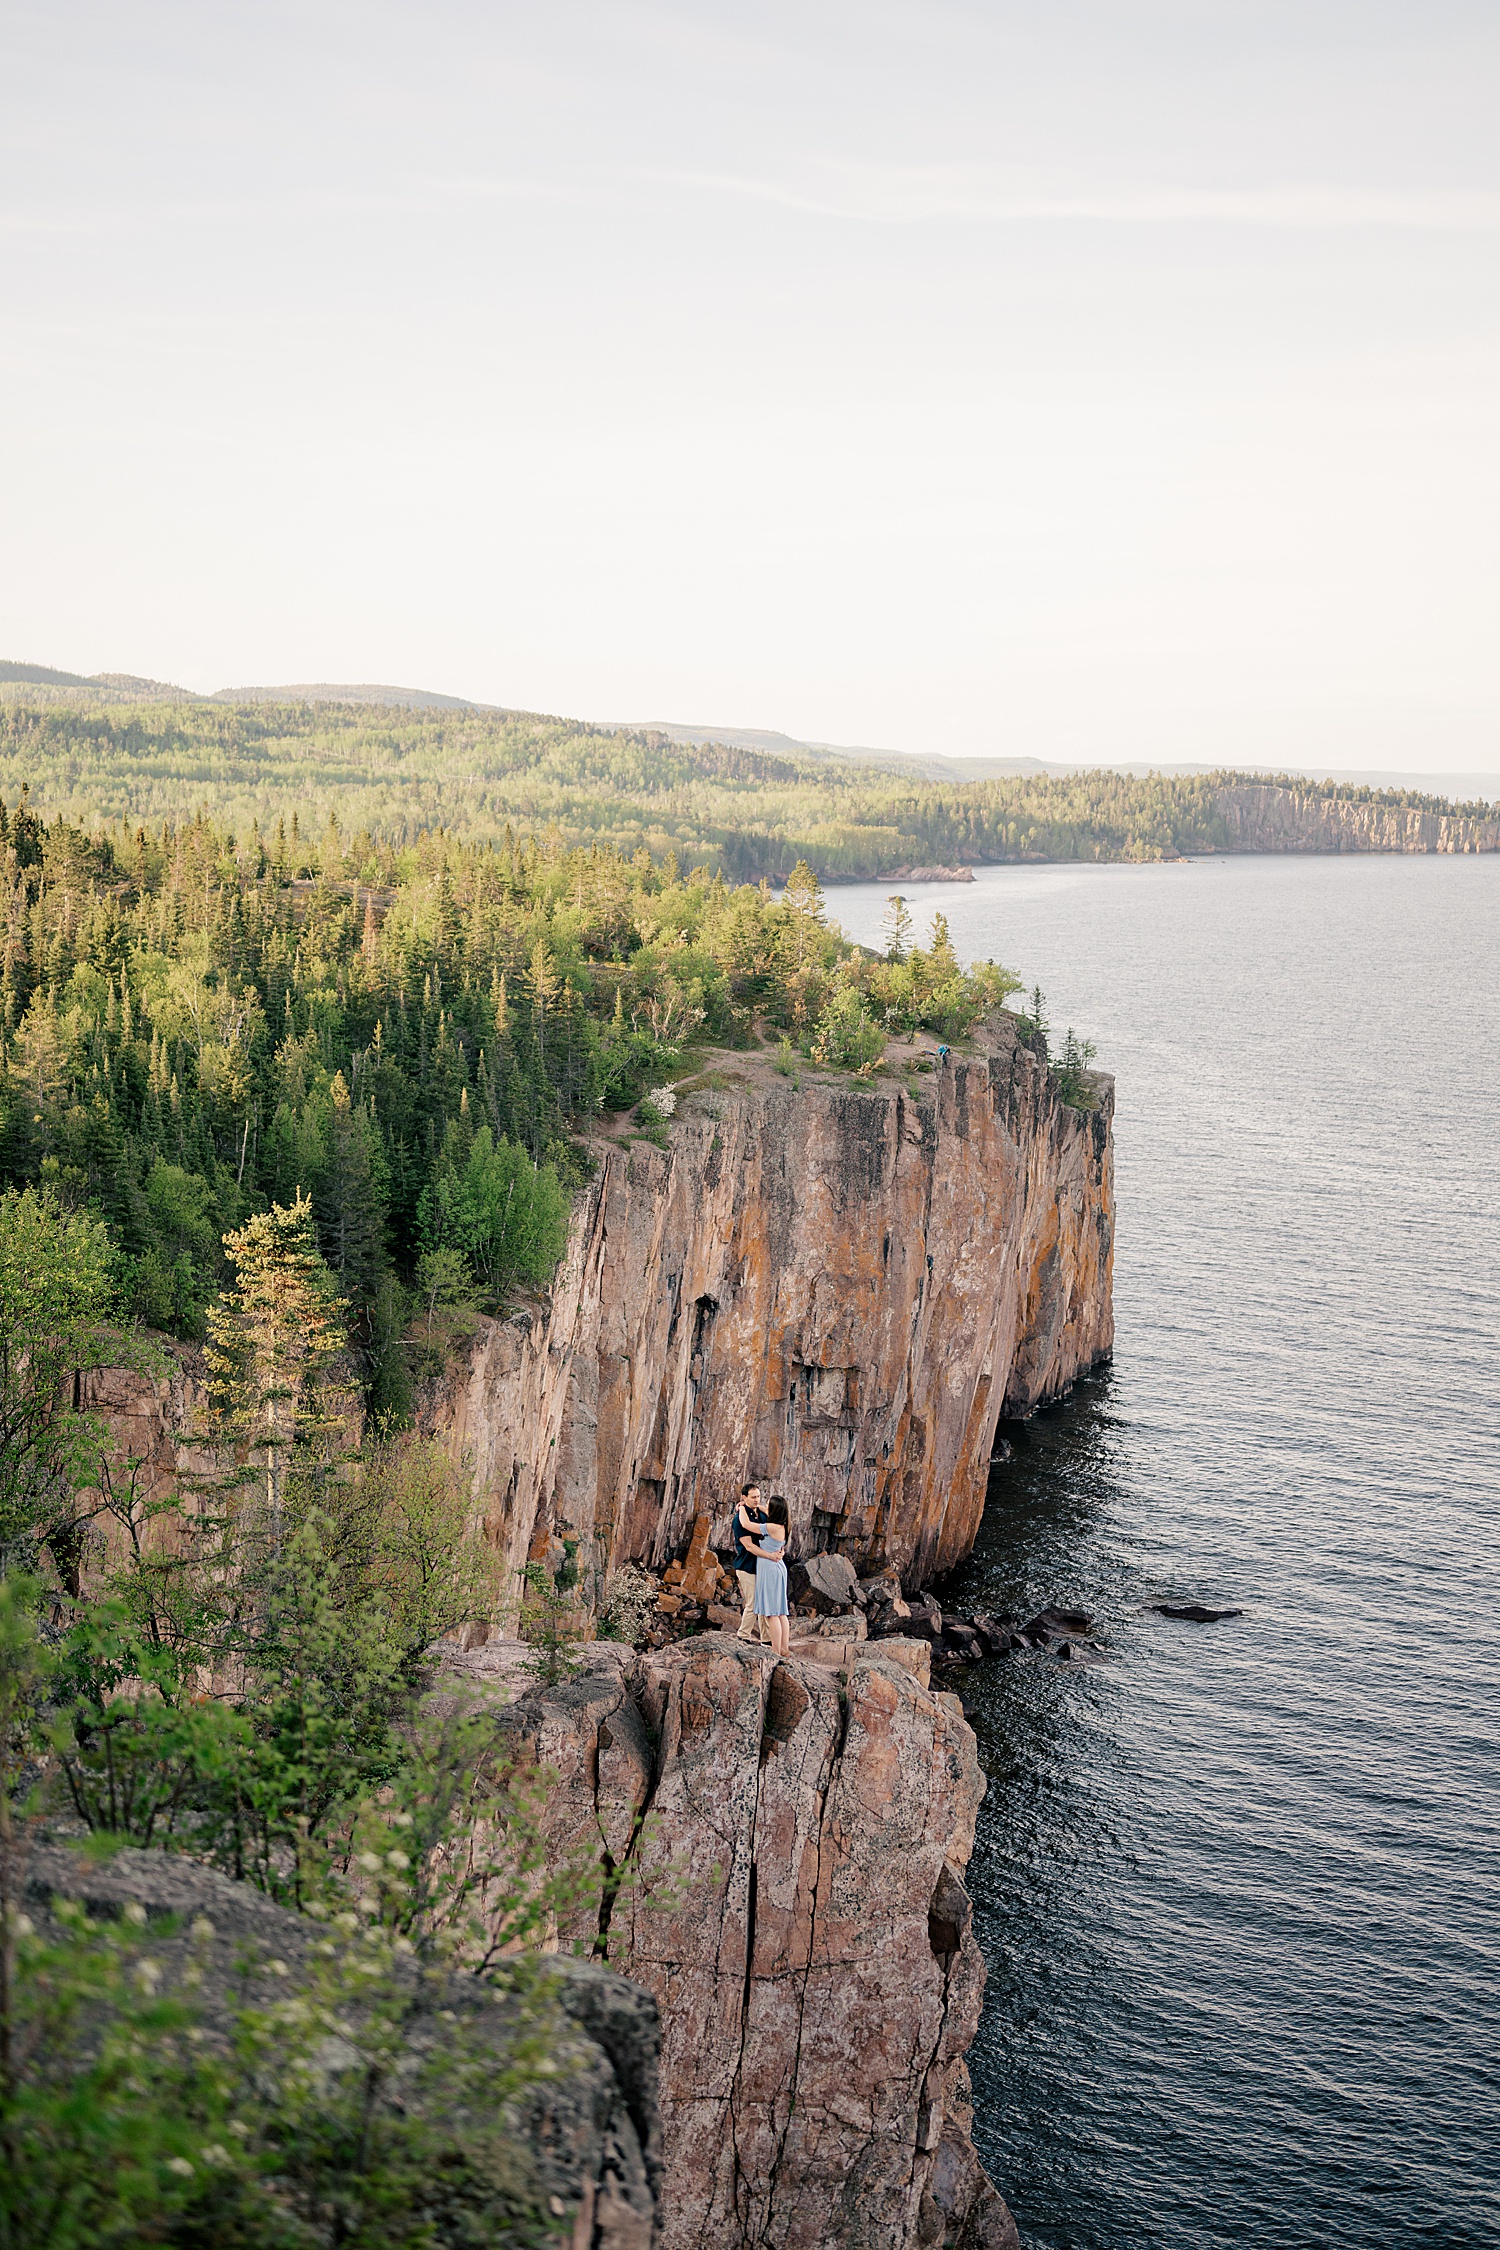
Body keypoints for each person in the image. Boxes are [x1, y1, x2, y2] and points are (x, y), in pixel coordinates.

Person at [747, 1496, 791, 1658]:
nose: (766, 1507)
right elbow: (766, 1509)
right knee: (780, 1612)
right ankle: (784, 1649)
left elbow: (747, 1525)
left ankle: (775, 1650)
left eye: (769, 1507)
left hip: (770, 1569)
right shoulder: (784, 1525)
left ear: (775, 1511)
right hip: (778, 1567)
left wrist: (743, 1507)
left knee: (772, 1613)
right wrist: (760, 1507)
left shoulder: (772, 1527)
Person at [731, 1481, 769, 1644]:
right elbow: (749, 1546)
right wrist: (771, 1556)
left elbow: (773, 1517)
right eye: (753, 1497)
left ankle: (767, 1639)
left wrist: (759, 1507)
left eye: (758, 1497)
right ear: (744, 1497)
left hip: (761, 1566)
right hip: (746, 1566)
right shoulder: (739, 1519)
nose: (756, 1500)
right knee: (753, 1603)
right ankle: (743, 1636)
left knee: (764, 1604)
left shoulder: (760, 1514)